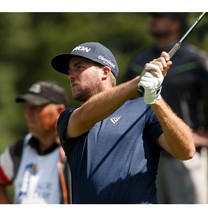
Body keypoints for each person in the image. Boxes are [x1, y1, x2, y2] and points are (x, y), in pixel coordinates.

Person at [50, 41, 195, 204]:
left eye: (78, 67)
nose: (71, 75)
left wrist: (156, 98)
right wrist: (140, 80)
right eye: (69, 71)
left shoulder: (144, 109)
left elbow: (186, 151)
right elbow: (85, 116)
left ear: (105, 72)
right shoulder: (69, 117)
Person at [124, 13, 208, 204]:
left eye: (159, 16)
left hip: (185, 156)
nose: (152, 20)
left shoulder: (194, 58)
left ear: (175, 23)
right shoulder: (141, 61)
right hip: (146, 157)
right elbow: (123, 102)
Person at [0, 80, 71, 204]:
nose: (28, 114)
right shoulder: (19, 148)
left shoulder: (74, 148)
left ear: (59, 111)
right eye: (27, 107)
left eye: (36, 107)